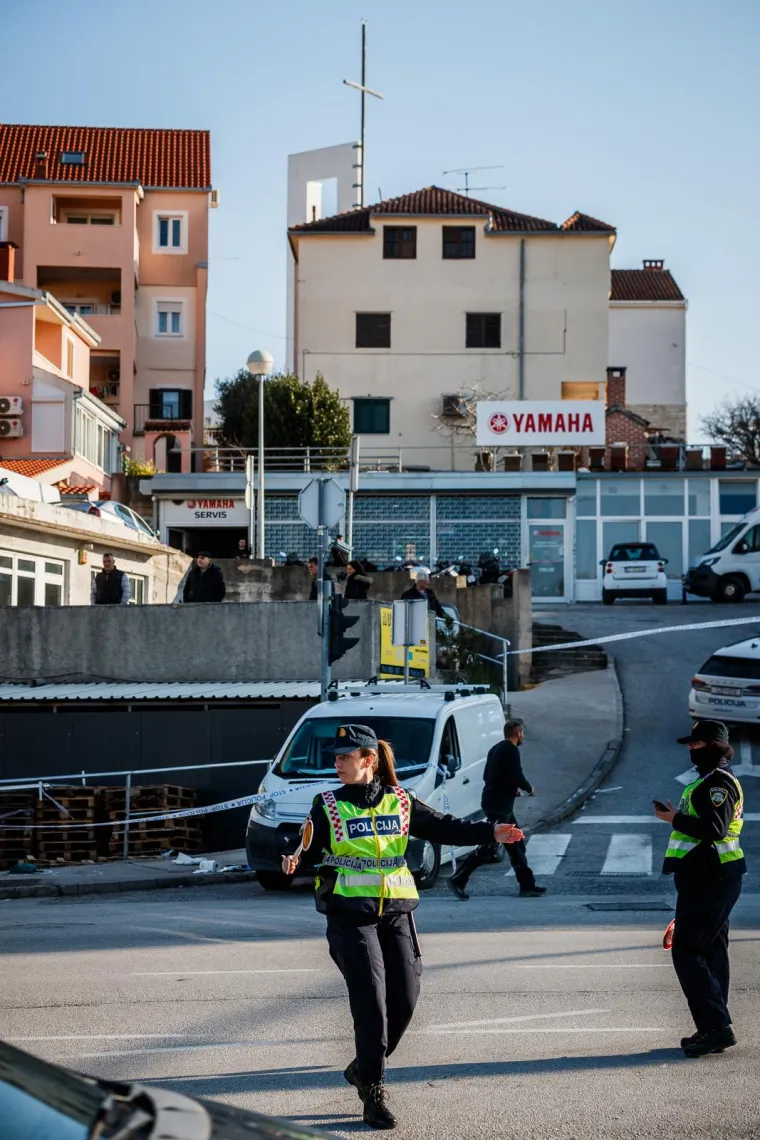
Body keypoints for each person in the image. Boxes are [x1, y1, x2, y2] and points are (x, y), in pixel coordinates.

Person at [282, 723, 523, 1130]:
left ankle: (363, 1066)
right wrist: (293, 859)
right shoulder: (328, 804)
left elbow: (444, 825)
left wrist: (490, 829)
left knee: (405, 1000)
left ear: (369, 760)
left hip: (395, 911)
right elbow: (306, 844)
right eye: (336, 758)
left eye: (346, 757)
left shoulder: (400, 800)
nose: (338, 763)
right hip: (349, 915)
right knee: (371, 1004)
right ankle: (373, 1094)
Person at [655, 720, 746, 1058]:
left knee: (688, 951)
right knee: (711, 952)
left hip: (712, 879)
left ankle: (717, 1027)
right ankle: (711, 1026)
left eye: (695, 745)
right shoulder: (709, 781)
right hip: (711, 879)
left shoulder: (717, 783)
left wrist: (673, 819)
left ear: (712, 746)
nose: (690, 750)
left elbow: (714, 828)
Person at [448, 719, 546, 900]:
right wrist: (528, 788)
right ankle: (458, 879)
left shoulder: (496, 749)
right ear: (518, 733)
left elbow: (489, 776)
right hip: (499, 807)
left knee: (516, 844)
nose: (522, 736)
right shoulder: (511, 750)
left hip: (495, 803)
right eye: (521, 733)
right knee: (491, 848)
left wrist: (510, 789)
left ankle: (527, 885)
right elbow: (516, 774)